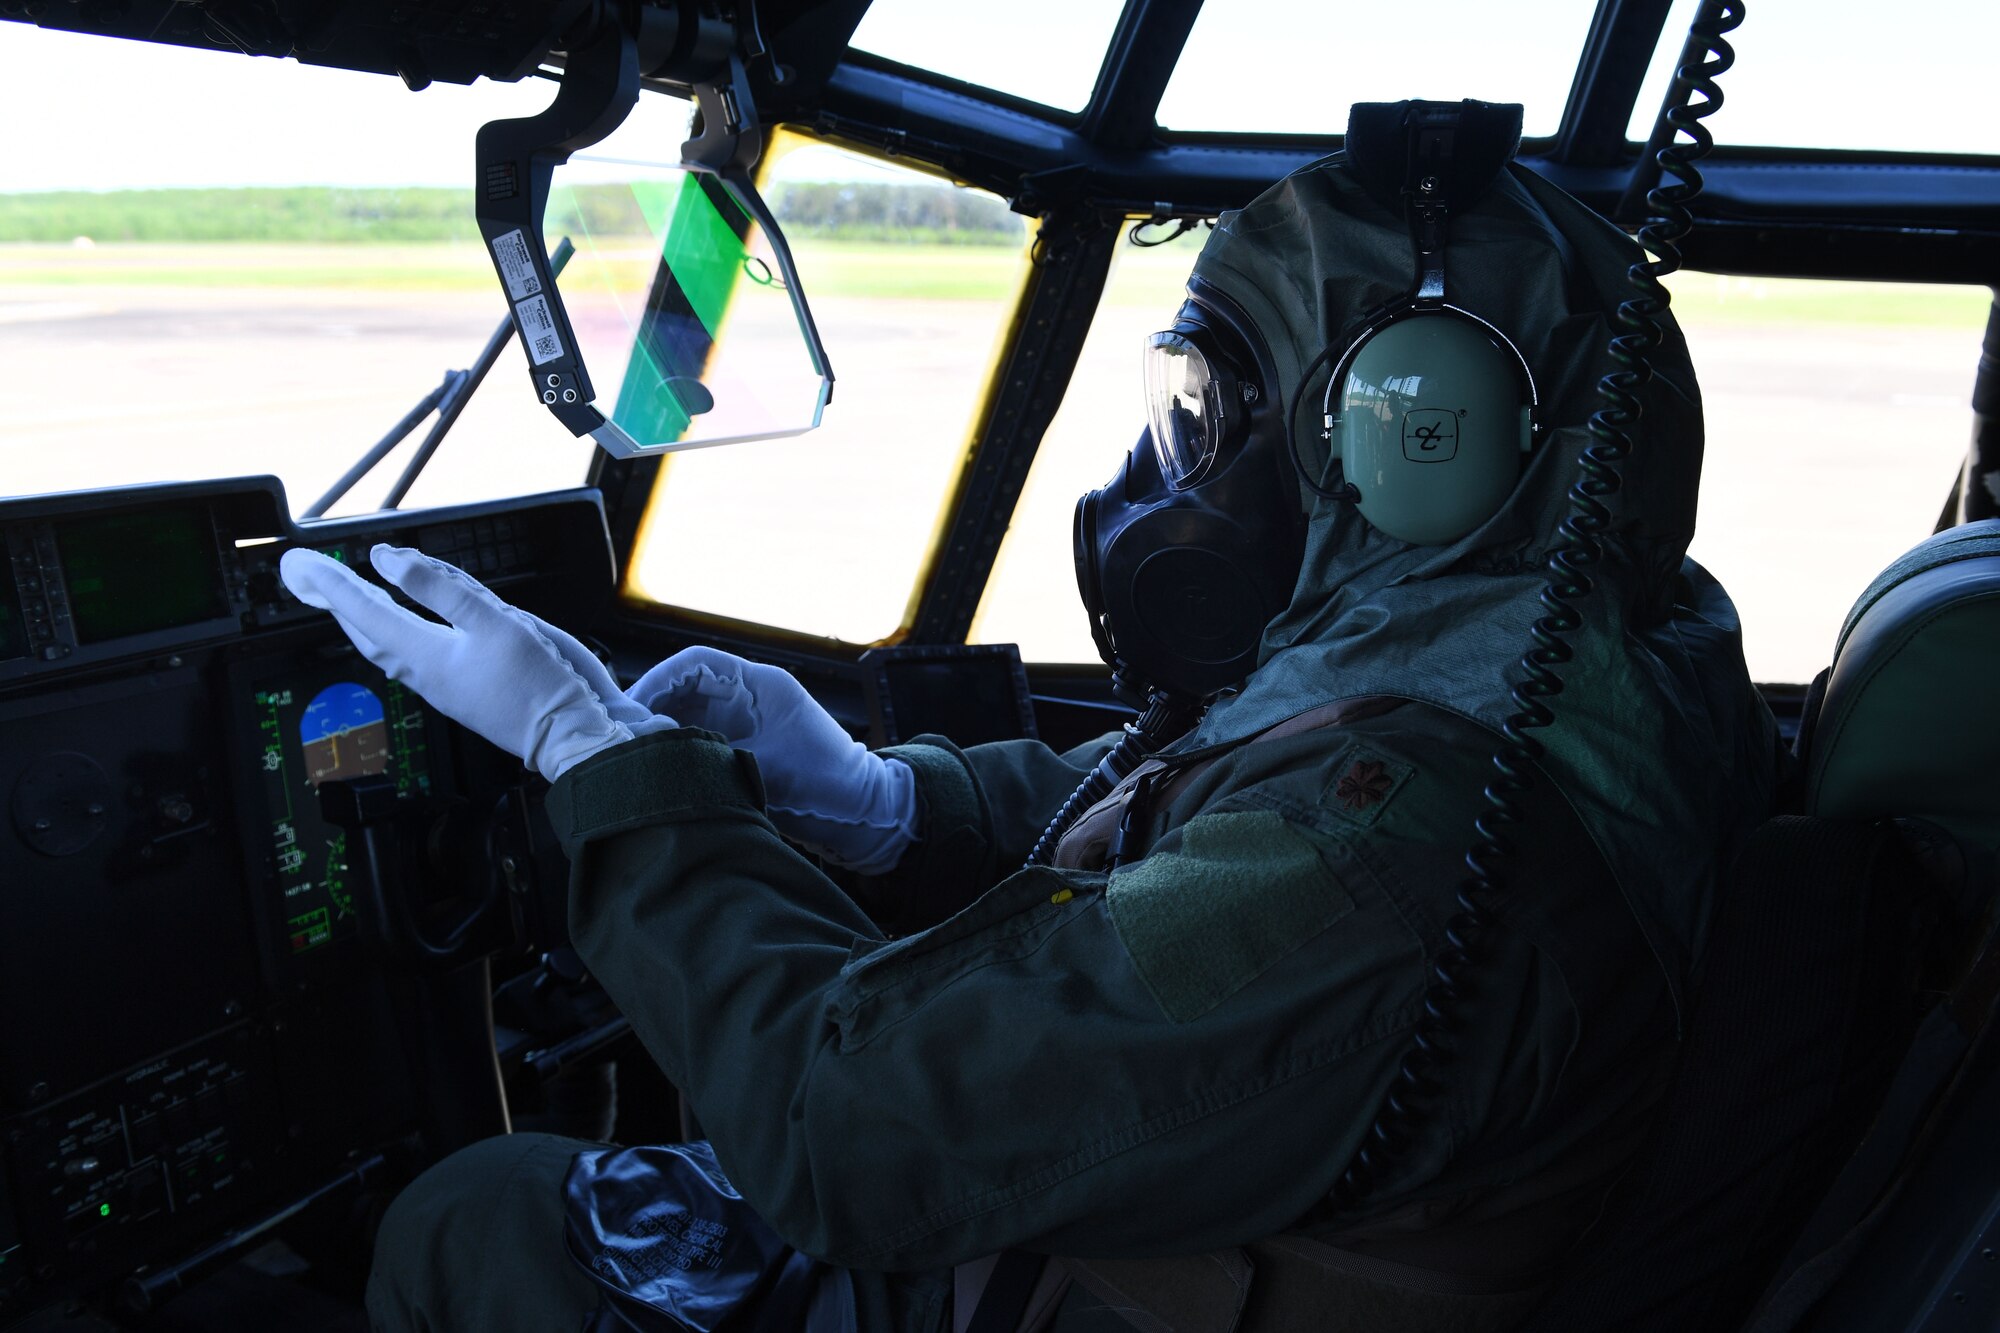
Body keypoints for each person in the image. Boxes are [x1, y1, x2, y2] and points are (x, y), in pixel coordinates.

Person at [282, 101, 1783, 1333]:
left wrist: (599, 767)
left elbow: (839, 1132)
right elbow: (1212, 823)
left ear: (1418, 442)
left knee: (471, 1220)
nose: (1167, 473)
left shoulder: (1408, 854)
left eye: (1212, 410)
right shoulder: (1571, 655)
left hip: (1070, 1289)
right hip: (1169, 1235)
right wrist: (884, 798)